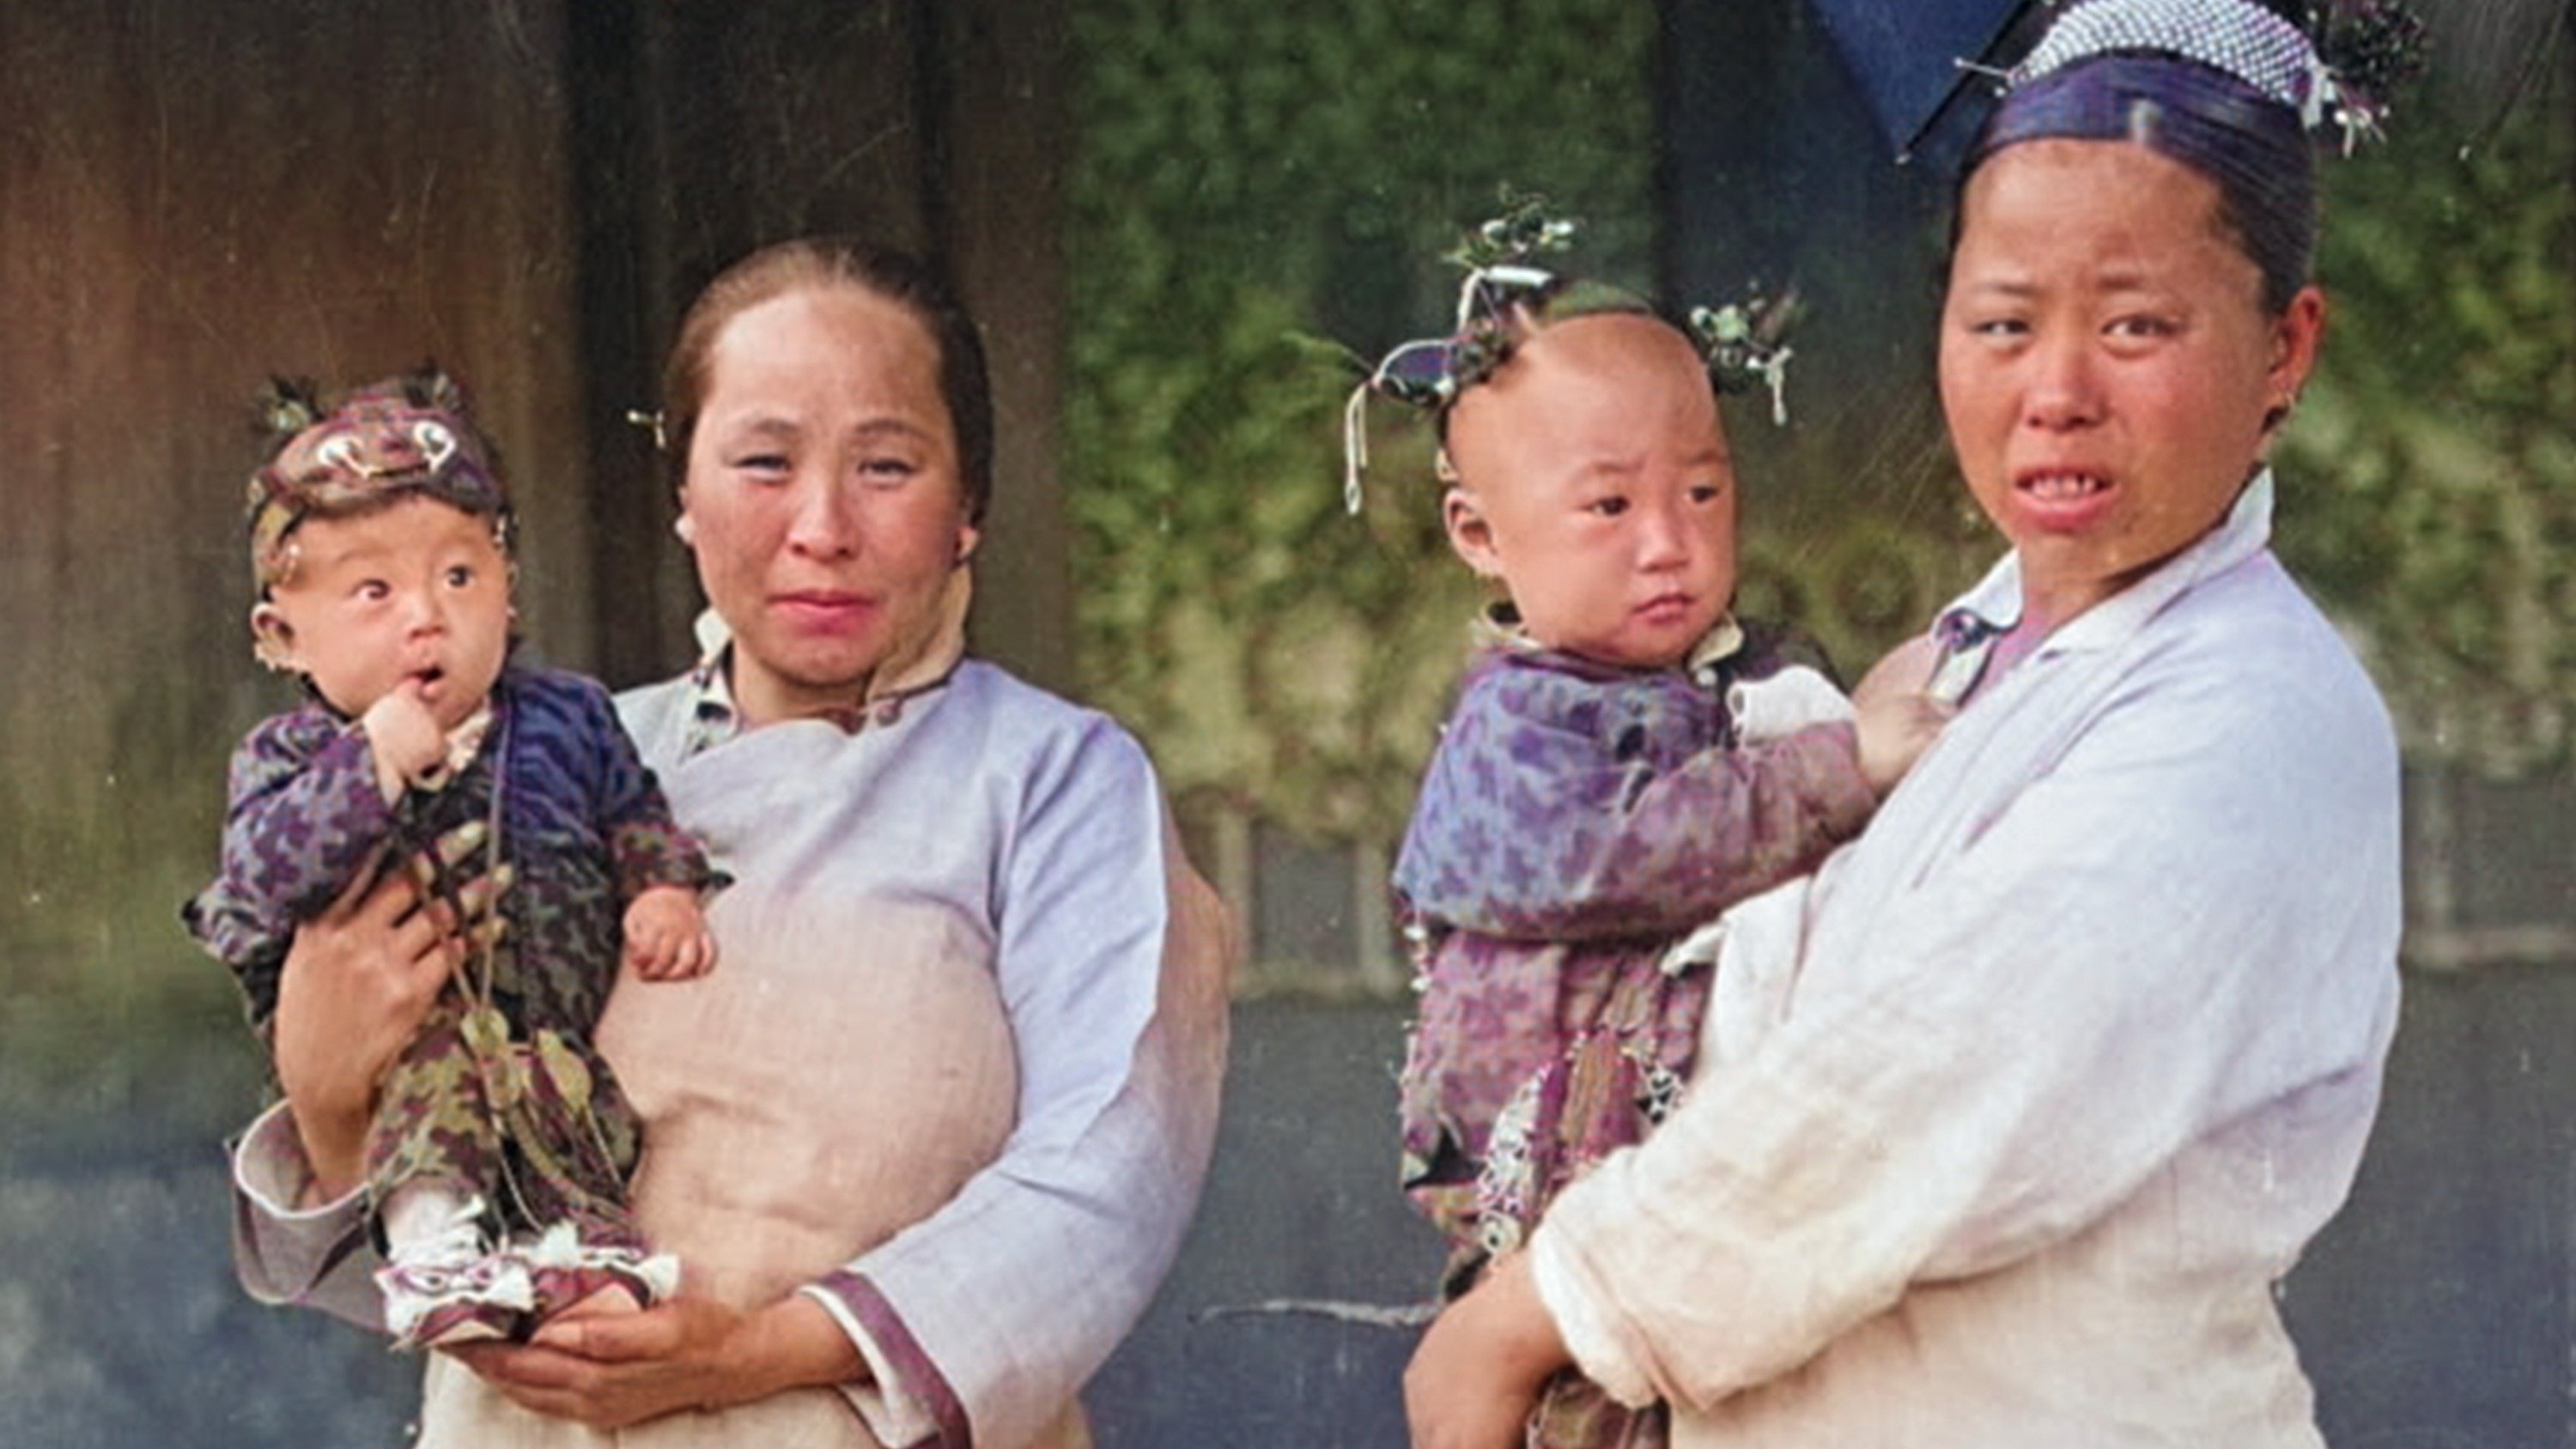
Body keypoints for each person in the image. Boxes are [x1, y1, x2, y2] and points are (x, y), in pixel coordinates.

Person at [1401, 1, 2409, 1445]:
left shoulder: (2253, 716)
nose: (2054, 393)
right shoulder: (1963, 657)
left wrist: (1530, 1311)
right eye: (2004, 322)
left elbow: (1908, 1091)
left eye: (2135, 325)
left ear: (2284, 346)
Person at [226, 239, 1234, 1449]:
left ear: (969, 508)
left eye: (888, 466)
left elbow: (1106, 1181)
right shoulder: (553, 757)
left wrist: (749, 1355)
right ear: (684, 495)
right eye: (763, 462)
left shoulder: (1053, 781)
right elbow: (416, 1222)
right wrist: (330, 1091)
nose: (822, 526)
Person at [1351, 227, 1947, 1449]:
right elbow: (1615, 853)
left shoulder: (1751, 678)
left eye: (1704, 489)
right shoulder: (1514, 729)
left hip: (1702, 1200)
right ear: (1480, 535)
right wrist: (1843, 769)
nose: (1669, 540)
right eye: (1609, 504)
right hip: (1558, 1200)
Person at [185, 371, 719, 1350]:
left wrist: (660, 883)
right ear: (280, 634)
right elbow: (263, 877)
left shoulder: (569, 715)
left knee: (573, 1107)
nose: (426, 615)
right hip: (402, 1044)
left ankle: (578, 1250)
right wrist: (369, 763)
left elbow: (633, 806)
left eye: (459, 576)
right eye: (374, 590)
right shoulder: (290, 759)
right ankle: (432, 1245)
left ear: (510, 588)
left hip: (551, 1020)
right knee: (439, 1099)